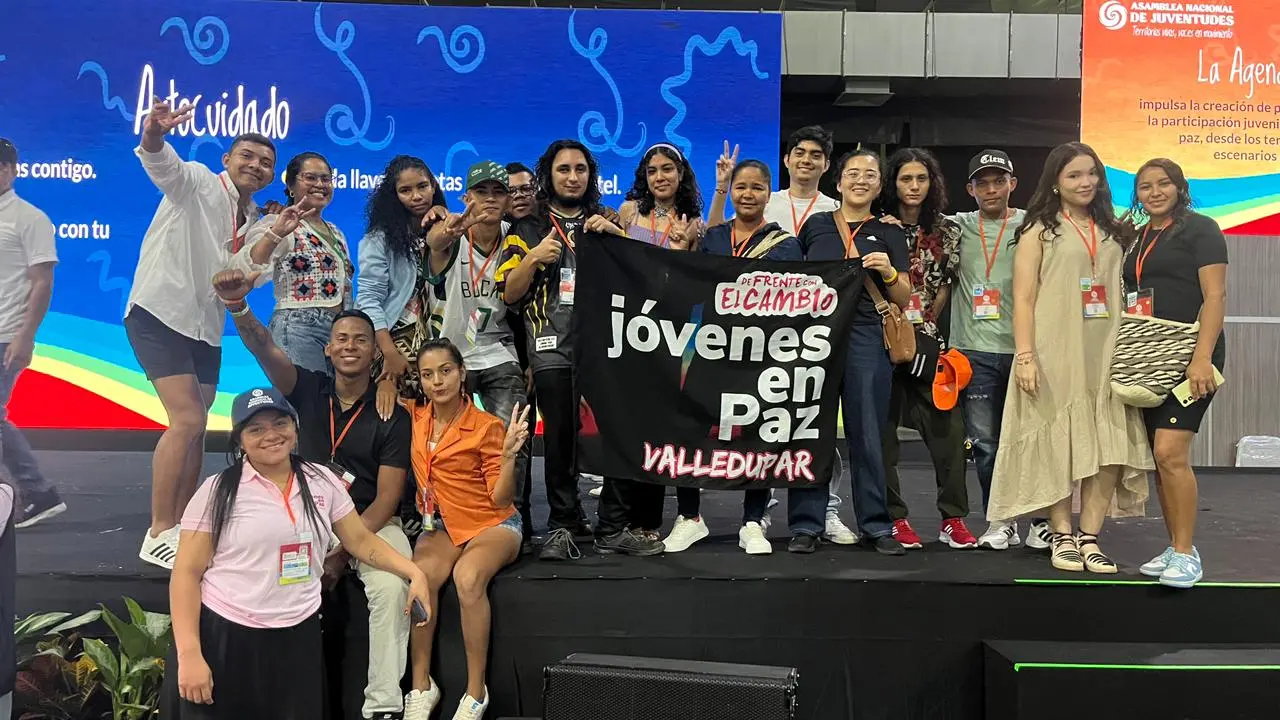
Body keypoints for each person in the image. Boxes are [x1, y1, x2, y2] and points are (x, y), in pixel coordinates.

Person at [211, 267, 415, 719]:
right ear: (328, 348)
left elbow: (387, 498)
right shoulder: (305, 390)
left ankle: (383, 705)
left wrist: (343, 550)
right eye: (341, 338)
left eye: (361, 339)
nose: (349, 346)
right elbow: (265, 348)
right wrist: (238, 307)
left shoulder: (392, 415)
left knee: (391, 586)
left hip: (372, 525)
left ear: (373, 353)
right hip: (304, 520)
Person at [161, 386, 429, 719]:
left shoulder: (320, 481)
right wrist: (189, 655)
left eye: (279, 423)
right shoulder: (217, 491)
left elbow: (360, 540)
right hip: (228, 636)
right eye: (255, 429)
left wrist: (413, 571)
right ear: (239, 441)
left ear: (295, 427)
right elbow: (186, 573)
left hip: (297, 636)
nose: (271, 435)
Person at [124, 100, 276, 569]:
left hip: (204, 328)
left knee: (197, 426)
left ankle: (184, 523)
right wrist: (153, 132)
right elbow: (158, 159)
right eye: (246, 156)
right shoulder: (196, 182)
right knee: (187, 420)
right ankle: (157, 530)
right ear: (227, 160)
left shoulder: (254, 221)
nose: (255, 165)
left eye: (265, 162)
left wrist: (269, 236)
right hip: (158, 311)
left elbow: (244, 276)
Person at [988, 141, 1152, 573]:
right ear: (1056, 183)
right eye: (1074, 175)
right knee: (1057, 444)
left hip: (1107, 351)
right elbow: (1022, 299)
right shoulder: (1039, 229)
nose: (1085, 182)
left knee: (1107, 449)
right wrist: (1025, 355)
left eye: (1091, 173)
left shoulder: (1115, 229)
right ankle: (1061, 535)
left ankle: (1090, 537)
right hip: (1054, 349)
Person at [495, 139, 662, 561]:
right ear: (547, 175)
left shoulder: (602, 221)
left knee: (617, 435)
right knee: (561, 441)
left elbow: (647, 277)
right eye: (564, 169)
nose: (573, 177)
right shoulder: (526, 228)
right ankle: (562, 526)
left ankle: (611, 528)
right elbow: (510, 296)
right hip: (551, 349)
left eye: (581, 169)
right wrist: (533, 259)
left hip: (609, 348)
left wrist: (620, 238)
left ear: (591, 175)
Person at [663, 160, 828, 555]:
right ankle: (689, 517)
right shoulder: (714, 237)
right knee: (691, 429)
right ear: (732, 191)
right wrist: (680, 249)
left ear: (768, 194)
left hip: (761, 355)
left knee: (759, 435)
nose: (748, 194)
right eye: (741, 187)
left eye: (757, 188)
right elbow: (689, 286)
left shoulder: (786, 244)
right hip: (711, 349)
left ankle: (753, 522)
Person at [708, 132, 858, 546]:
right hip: (747, 335)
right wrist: (722, 188)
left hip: (805, 334)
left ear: (827, 165)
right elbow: (717, 240)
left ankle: (824, 510)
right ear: (788, 161)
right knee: (762, 429)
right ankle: (761, 514)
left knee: (810, 426)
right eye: (800, 154)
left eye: (816, 156)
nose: (807, 161)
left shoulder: (834, 209)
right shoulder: (766, 199)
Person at [402, 160, 532, 559]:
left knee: (515, 433)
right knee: (429, 436)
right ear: (466, 197)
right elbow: (437, 244)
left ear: (508, 199)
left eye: (498, 193)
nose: (489, 200)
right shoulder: (452, 232)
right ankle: (428, 512)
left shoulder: (516, 237)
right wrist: (454, 224)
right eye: (481, 193)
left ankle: (513, 517)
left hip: (497, 351)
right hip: (448, 356)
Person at [399, 339, 529, 720]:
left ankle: (476, 692)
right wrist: (388, 384)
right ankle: (421, 687)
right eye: (427, 374)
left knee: (467, 577)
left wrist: (507, 458)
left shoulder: (486, 426)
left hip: (492, 522)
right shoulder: (414, 417)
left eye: (445, 371)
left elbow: (502, 499)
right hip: (441, 525)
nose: (437, 381)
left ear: (461, 373)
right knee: (420, 578)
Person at [800, 148, 911, 556]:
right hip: (818, 337)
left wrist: (889, 272)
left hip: (867, 334)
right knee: (814, 431)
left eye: (870, 174)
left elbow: (904, 295)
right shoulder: (815, 227)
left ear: (879, 185)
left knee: (868, 433)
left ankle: (877, 526)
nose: (861, 179)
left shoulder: (890, 232)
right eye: (853, 173)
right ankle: (806, 524)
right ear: (839, 181)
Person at [1127, 158, 1227, 589]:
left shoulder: (1200, 228)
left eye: (1163, 183)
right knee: (1159, 457)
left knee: (1170, 452)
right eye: (1145, 186)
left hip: (1193, 355)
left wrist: (1202, 357)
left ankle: (1187, 554)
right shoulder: (1136, 236)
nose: (1154, 192)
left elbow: (1216, 295)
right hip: (1151, 357)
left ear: (1180, 187)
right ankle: (1174, 545)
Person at [949, 150, 1051, 552]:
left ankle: (1042, 521)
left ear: (1012, 183)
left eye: (998, 180)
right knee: (986, 443)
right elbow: (915, 226)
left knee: (1036, 439)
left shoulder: (1035, 225)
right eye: (982, 182)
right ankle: (1001, 519)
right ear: (970, 189)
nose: (991, 189)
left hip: (1027, 350)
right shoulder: (954, 227)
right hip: (973, 351)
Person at [877, 148, 974, 550]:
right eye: (905, 179)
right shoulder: (877, 227)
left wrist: (925, 328)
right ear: (893, 184)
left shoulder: (948, 231)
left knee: (949, 433)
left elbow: (946, 290)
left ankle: (952, 518)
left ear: (931, 183)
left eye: (921, 178)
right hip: (882, 342)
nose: (914, 186)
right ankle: (894, 518)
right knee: (882, 436)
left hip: (929, 345)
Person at [231, 152, 353, 374]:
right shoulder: (277, 222)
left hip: (338, 333)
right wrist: (276, 231)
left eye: (326, 179)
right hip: (297, 328)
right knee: (306, 405)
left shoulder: (336, 232)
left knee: (329, 407)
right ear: (291, 186)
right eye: (310, 178)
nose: (320, 184)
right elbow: (249, 266)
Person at [0, 138, 63, 528]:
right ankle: (33, 492)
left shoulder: (29, 218)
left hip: (7, 333)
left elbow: (43, 282)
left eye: (2, 166)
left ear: (13, 170)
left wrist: (26, 337)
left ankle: (37, 491)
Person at [355, 155, 449, 400]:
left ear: (434, 186)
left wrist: (446, 222)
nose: (416, 196)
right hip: (395, 341)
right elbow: (368, 300)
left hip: (442, 337)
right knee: (398, 421)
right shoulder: (379, 240)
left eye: (422, 186)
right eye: (405, 190)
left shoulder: (449, 228)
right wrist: (389, 352)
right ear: (393, 196)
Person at [618, 143, 705, 251]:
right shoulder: (629, 210)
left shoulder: (693, 224)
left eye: (667, 169)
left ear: (681, 173)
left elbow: (695, 266)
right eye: (652, 172)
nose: (659, 178)